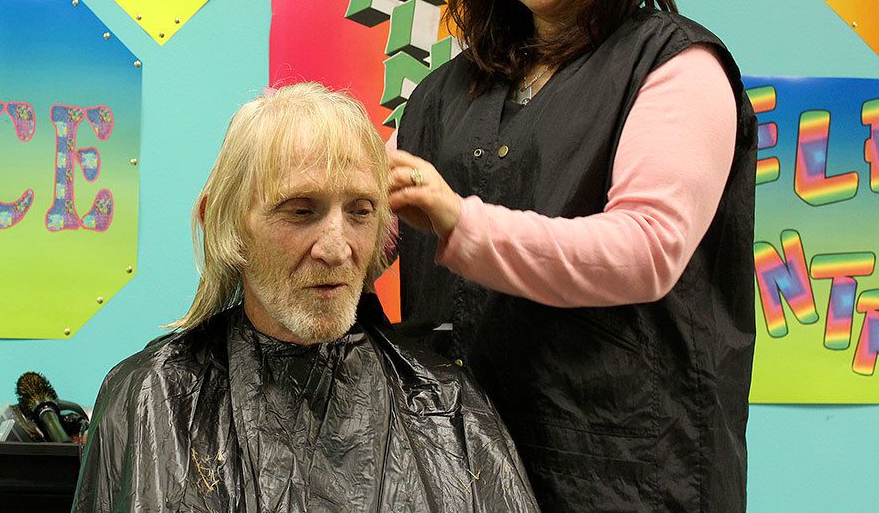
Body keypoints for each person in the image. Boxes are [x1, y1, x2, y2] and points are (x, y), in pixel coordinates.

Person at [387, 0, 757, 512]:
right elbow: (369, 232)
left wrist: (461, 220)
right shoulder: (444, 92)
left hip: (630, 479)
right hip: (457, 473)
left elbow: (647, 251)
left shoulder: (675, 67)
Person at [72, 83, 539, 512]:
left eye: (361, 211)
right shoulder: (154, 400)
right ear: (225, 222)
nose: (337, 249)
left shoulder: (445, 406)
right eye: (300, 211)